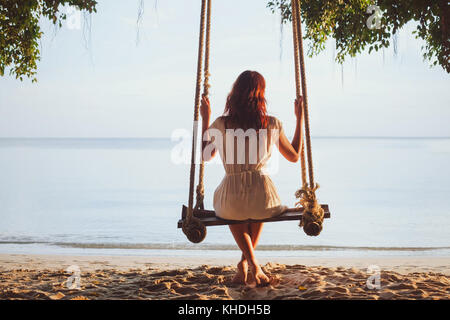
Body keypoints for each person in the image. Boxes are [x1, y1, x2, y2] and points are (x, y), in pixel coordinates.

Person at [199, 70, 304, 286]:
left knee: (234, 210)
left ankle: (249, 264)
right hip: (262, 197)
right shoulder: (272, 123)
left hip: (231, 197)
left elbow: (204, 155)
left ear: (234, 94)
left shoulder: (221, 123)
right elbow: (294, 156)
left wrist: (205, 118)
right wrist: (300, 119)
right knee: (256, 210)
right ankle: (249, 265)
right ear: (261, 95)